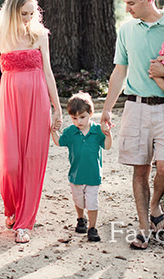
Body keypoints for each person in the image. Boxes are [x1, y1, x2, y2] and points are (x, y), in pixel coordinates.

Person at [100, 0, 164, 250]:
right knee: (140, 170)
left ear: (148, 0)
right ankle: (143, 228)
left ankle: (155, 205)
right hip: (135, 106)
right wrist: (106, 110)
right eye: (125, 3)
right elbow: (119, 71)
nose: (127, 8)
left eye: (131, 3)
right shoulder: (126, 31)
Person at [0, 0, 63, 244]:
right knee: (11, 164)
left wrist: (57, 107)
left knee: (32, 160)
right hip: (10, 102)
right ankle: (12, 209)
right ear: (12, 12)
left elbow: (48, 73)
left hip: (37, 102)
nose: (28, 18)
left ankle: (25, 223)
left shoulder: (40, 36)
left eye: (31, 13)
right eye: (23, 14)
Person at [50, 92, 112, 242]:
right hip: (76, 175)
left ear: (90, 113)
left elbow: (107, 147)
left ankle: (92, 227)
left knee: (92, 202)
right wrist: (53, 130)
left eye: (82, 117)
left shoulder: (97, 130)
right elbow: (59, 142)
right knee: (78, 201)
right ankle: (80, 219)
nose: (78, 121)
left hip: (93, 175)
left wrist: (108, 134)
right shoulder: (71, 132)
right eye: (74, 118)